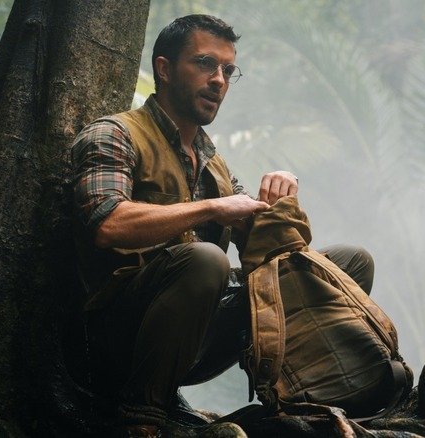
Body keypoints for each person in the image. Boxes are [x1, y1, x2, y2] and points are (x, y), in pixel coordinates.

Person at [71, 14, 374, 437]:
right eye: (204, 64)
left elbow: (270, 259)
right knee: (207, 260)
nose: (219, 80)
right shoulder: (114, 135)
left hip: (199, 336)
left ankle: (315, 404)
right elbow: (108, 224)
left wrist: (280, 204)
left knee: (349, 265)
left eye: (228, 70)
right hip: (118, 337)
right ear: (164, 68)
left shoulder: (213, 163)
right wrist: (211, 208)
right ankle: (142, 419)